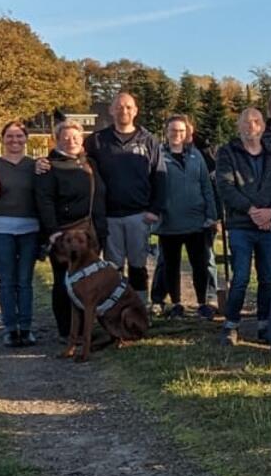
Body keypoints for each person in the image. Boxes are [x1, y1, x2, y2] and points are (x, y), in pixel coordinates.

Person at [212, 108, 271, 345]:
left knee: (266, 277)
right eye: (246, 122)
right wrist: (252, 211)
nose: (251, 126)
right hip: (241, 225)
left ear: (263, 126)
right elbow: (225, 187)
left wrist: (270, 212)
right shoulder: (227, 153)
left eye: (256, 121)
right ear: (239, 126)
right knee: (241, 276)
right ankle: (231, 323)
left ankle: (264, 323)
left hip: (268, 225)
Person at [85, 91, 165, 298]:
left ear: (136, 111)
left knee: (138, 265)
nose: (124, 111)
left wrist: (154, 210)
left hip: (139, 214)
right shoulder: (97, 141)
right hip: (110, 215)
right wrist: (47, 161)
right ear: (111, 110)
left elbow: (160, 177)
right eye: (119, 107)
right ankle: (116, 307)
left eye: (129, 107)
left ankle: (140, 307)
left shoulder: (149, 141)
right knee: (113, 268)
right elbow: (72, 157)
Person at [34, 119, 107, 344]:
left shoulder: (90, 163)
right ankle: (67, 331)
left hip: (91, 232)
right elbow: (44, 201)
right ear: (57, 140)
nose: (71, 141)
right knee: (64, 282)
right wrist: (53, 231)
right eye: (65, 137)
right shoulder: (49, 166)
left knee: (87, 281)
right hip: (65, 235)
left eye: (75, 137)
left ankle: (86, 328)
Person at [154, 114, 220, 319]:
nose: (177, 134)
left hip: (196, 221)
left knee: (199, 265)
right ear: (166, 132)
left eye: (181, 131)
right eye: (173, 130)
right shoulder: (158, 155)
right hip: (169, 222)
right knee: (170, 266)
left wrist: (212, 214)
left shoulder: (196, 156)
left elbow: (206, 186)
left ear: (187, 133)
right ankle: (176, 304)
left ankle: (203, 303)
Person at [0, 120, 41, 347]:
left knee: (25, 280)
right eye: (10, 136)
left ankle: (26, 328)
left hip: (30, 229)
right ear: (3, 139)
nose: (15, 140)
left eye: (19, 136)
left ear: (26, 139)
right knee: (7, 281)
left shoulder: (36, 165)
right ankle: (10, 328)